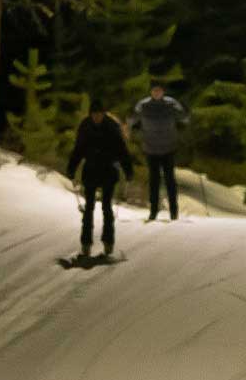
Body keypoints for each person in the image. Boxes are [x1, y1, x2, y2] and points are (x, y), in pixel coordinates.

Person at [66, 105, 133, 256]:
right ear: (91, 114)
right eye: (94, 114)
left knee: (106, 207)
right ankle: (86, 243)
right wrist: (71, 168)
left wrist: (128, 170)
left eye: (99, 114)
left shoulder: (112, 128)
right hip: (90, 170)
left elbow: (122, 151)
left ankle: (108, 241)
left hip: (108, 171)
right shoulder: (86, 127)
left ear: (103, 114)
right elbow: (78, 150)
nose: (96, 117)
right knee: (88, 208)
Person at [129, 82, 191, 221]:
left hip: (168, 147)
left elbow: (184, 119)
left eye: (159, 90)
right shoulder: (143, 105)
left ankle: (174, 211)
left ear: (163, 91)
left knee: (170, 180)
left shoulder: (171, 104)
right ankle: (153, 211)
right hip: (151, 148)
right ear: (151, 92)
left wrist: (185, 109)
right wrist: (131, 126)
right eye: (154, 90)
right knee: (154, 180)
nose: (157, 93)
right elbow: (132, 120)